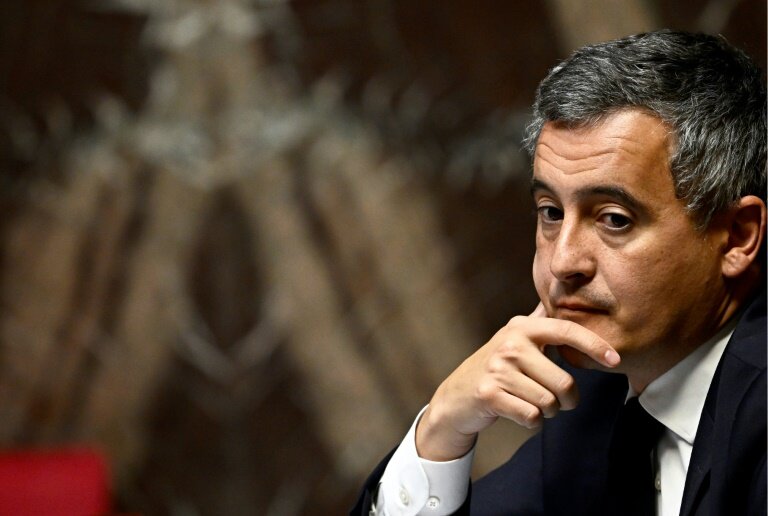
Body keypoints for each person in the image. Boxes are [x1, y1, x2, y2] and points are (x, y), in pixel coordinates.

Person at [351, 30, 766, 516]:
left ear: (737, 236)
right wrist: (441, 430)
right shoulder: (594, 395)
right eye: (550, 212)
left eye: (614, 219)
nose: (563, 261)